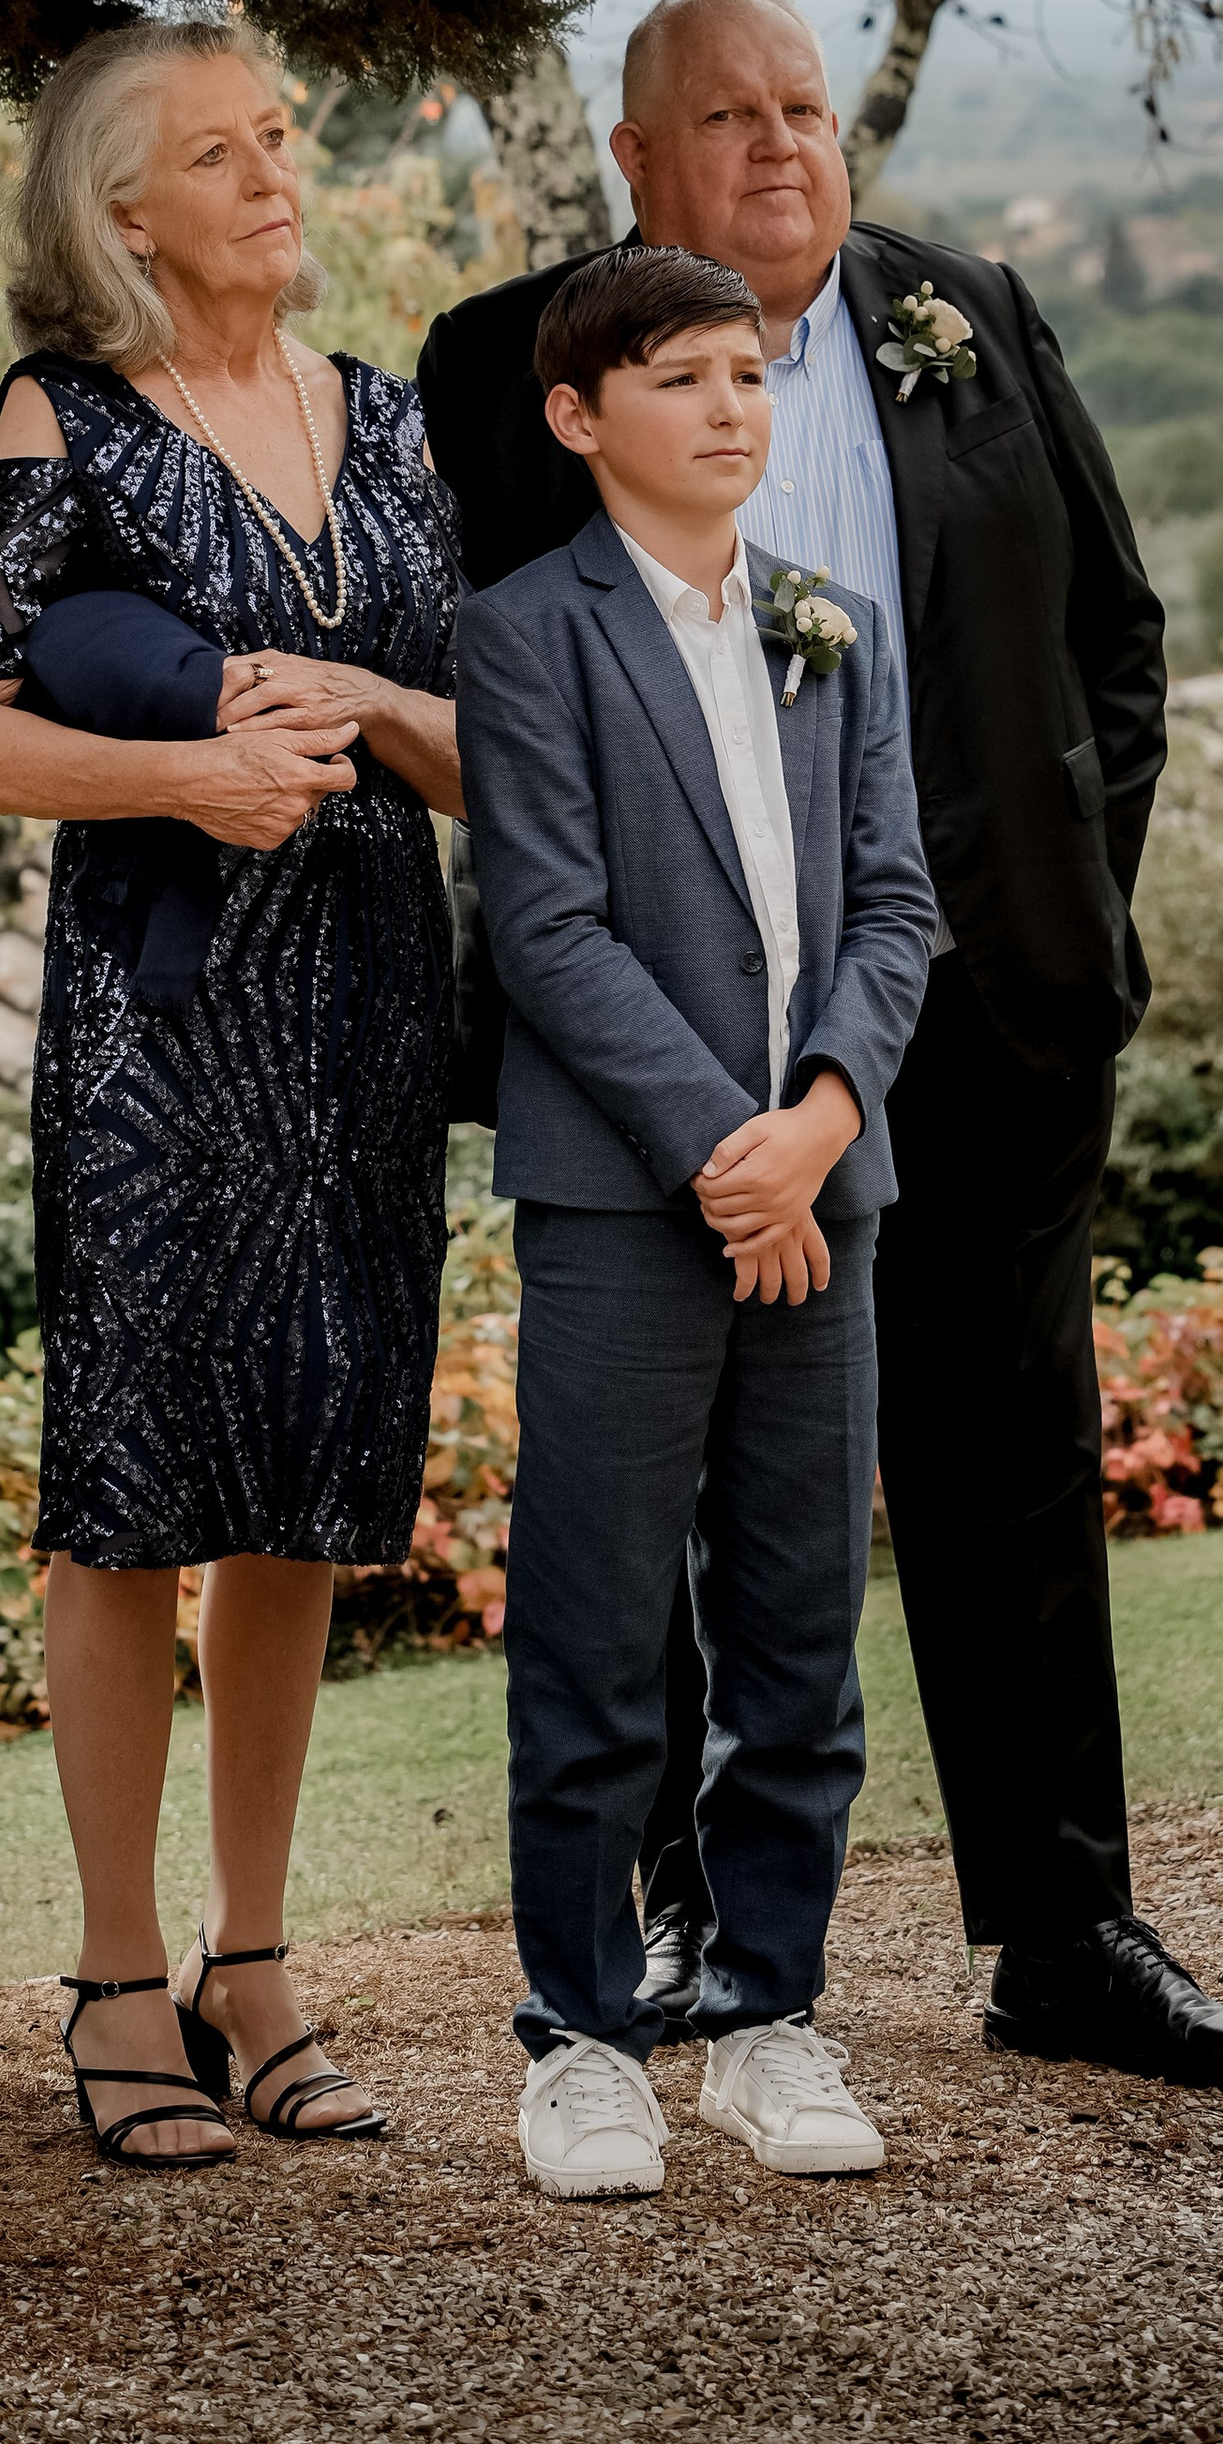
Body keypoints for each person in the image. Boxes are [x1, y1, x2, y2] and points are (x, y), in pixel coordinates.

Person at [419, 0, 1223, 2089]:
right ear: (637, 160)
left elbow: (1114, 644)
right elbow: (480, 688)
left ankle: (1064, 1935)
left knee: (1011, 1466)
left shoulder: (963, 313)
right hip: (663, 1043)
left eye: (804, 108)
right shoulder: (506, 366)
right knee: (665, 1503)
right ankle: (677, 1933)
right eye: (729, 116)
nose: (781, 146)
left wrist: (1055, 908)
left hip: (971, 1008)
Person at [0, 15, 464, 2164]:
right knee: (131, 1494)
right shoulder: (68, 420)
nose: (272, 175)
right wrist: (185, 776)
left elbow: (485, 754)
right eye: (217, 154)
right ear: (122, 214)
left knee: (302, 1483)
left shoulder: (386, 419)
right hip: (157, 1038)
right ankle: (117, 1977)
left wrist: (367, 701)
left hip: (367, 1024)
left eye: (278, 137)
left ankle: (258, 1962)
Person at [454, 246, 937, 2199]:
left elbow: (897, 906)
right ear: (580, 417)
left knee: (798, 1635)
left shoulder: (834, 624)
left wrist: (813, 1127)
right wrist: (724, 1158)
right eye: (681, 377)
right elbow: (548, 930)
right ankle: (581, 2044)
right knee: (594, 1642)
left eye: (747, 373)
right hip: (621, 1206)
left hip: (823, 1198)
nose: (731, 407)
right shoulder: (522, 634)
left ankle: (767, 2019)